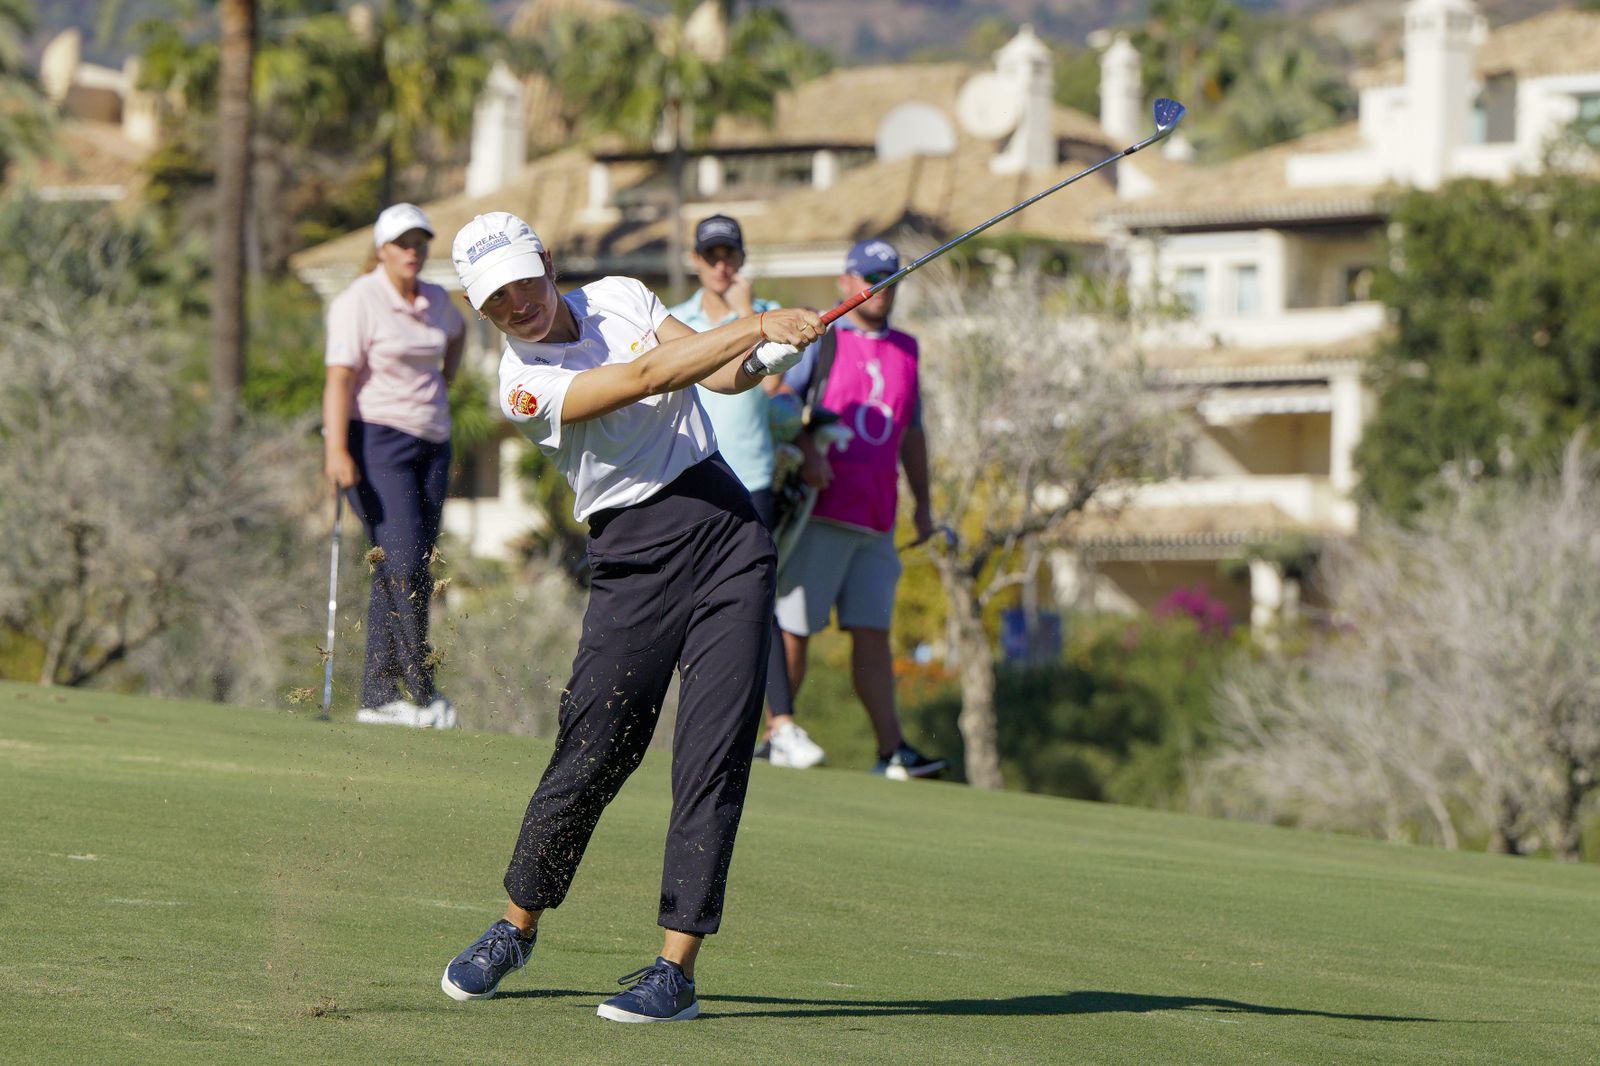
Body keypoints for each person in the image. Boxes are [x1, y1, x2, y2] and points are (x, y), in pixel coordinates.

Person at [438, 211, 821, 1022]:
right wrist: (750, 322)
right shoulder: (519, 382)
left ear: (544, 260)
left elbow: (717, 380)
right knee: (596, 745)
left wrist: (763, 355)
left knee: (711, 753)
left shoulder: (618, 294)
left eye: (521, 281)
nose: (515, 304)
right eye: (494, 299)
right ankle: (517, 925)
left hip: (727, 531)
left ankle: (675, 968)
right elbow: (648, 380)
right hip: (633, 558)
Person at [776, 238, 947, 780]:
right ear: (846, 283)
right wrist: (804, 452)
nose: (881, 288)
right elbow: (781, 400)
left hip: (877, 517)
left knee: (872, 632)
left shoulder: (907, 349)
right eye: (871, 277)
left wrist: (923, 506)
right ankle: (777, 733)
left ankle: (891, 751)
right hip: (823, 511)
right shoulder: (823, 340)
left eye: (890, 277)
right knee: (794, 628)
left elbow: (912, 433)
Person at [667, 214, 826, 771]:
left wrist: (751, 315)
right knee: (691, 603)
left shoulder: (771, 315)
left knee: (759, 597)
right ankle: (707, 723)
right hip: (695, 473)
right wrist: (744, 319)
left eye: (729, 254)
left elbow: (774, 382)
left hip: (753, 475)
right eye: (711, 256)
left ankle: (781, 725)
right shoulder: (677, 319)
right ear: (695, 261)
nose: (721, 265)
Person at [323, 202, 464, 729]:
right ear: (381, 249)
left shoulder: (436, 299)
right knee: (402, 563)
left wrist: (441, 385)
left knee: (407, 566)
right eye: (402, 242)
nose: (413, 250)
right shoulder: (358, 301)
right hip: (375, 441)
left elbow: (457, 335)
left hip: (433, 443)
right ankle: (420, 689)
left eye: (419, 241)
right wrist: (336, 450)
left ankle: (381, 696)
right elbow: (339, 378)